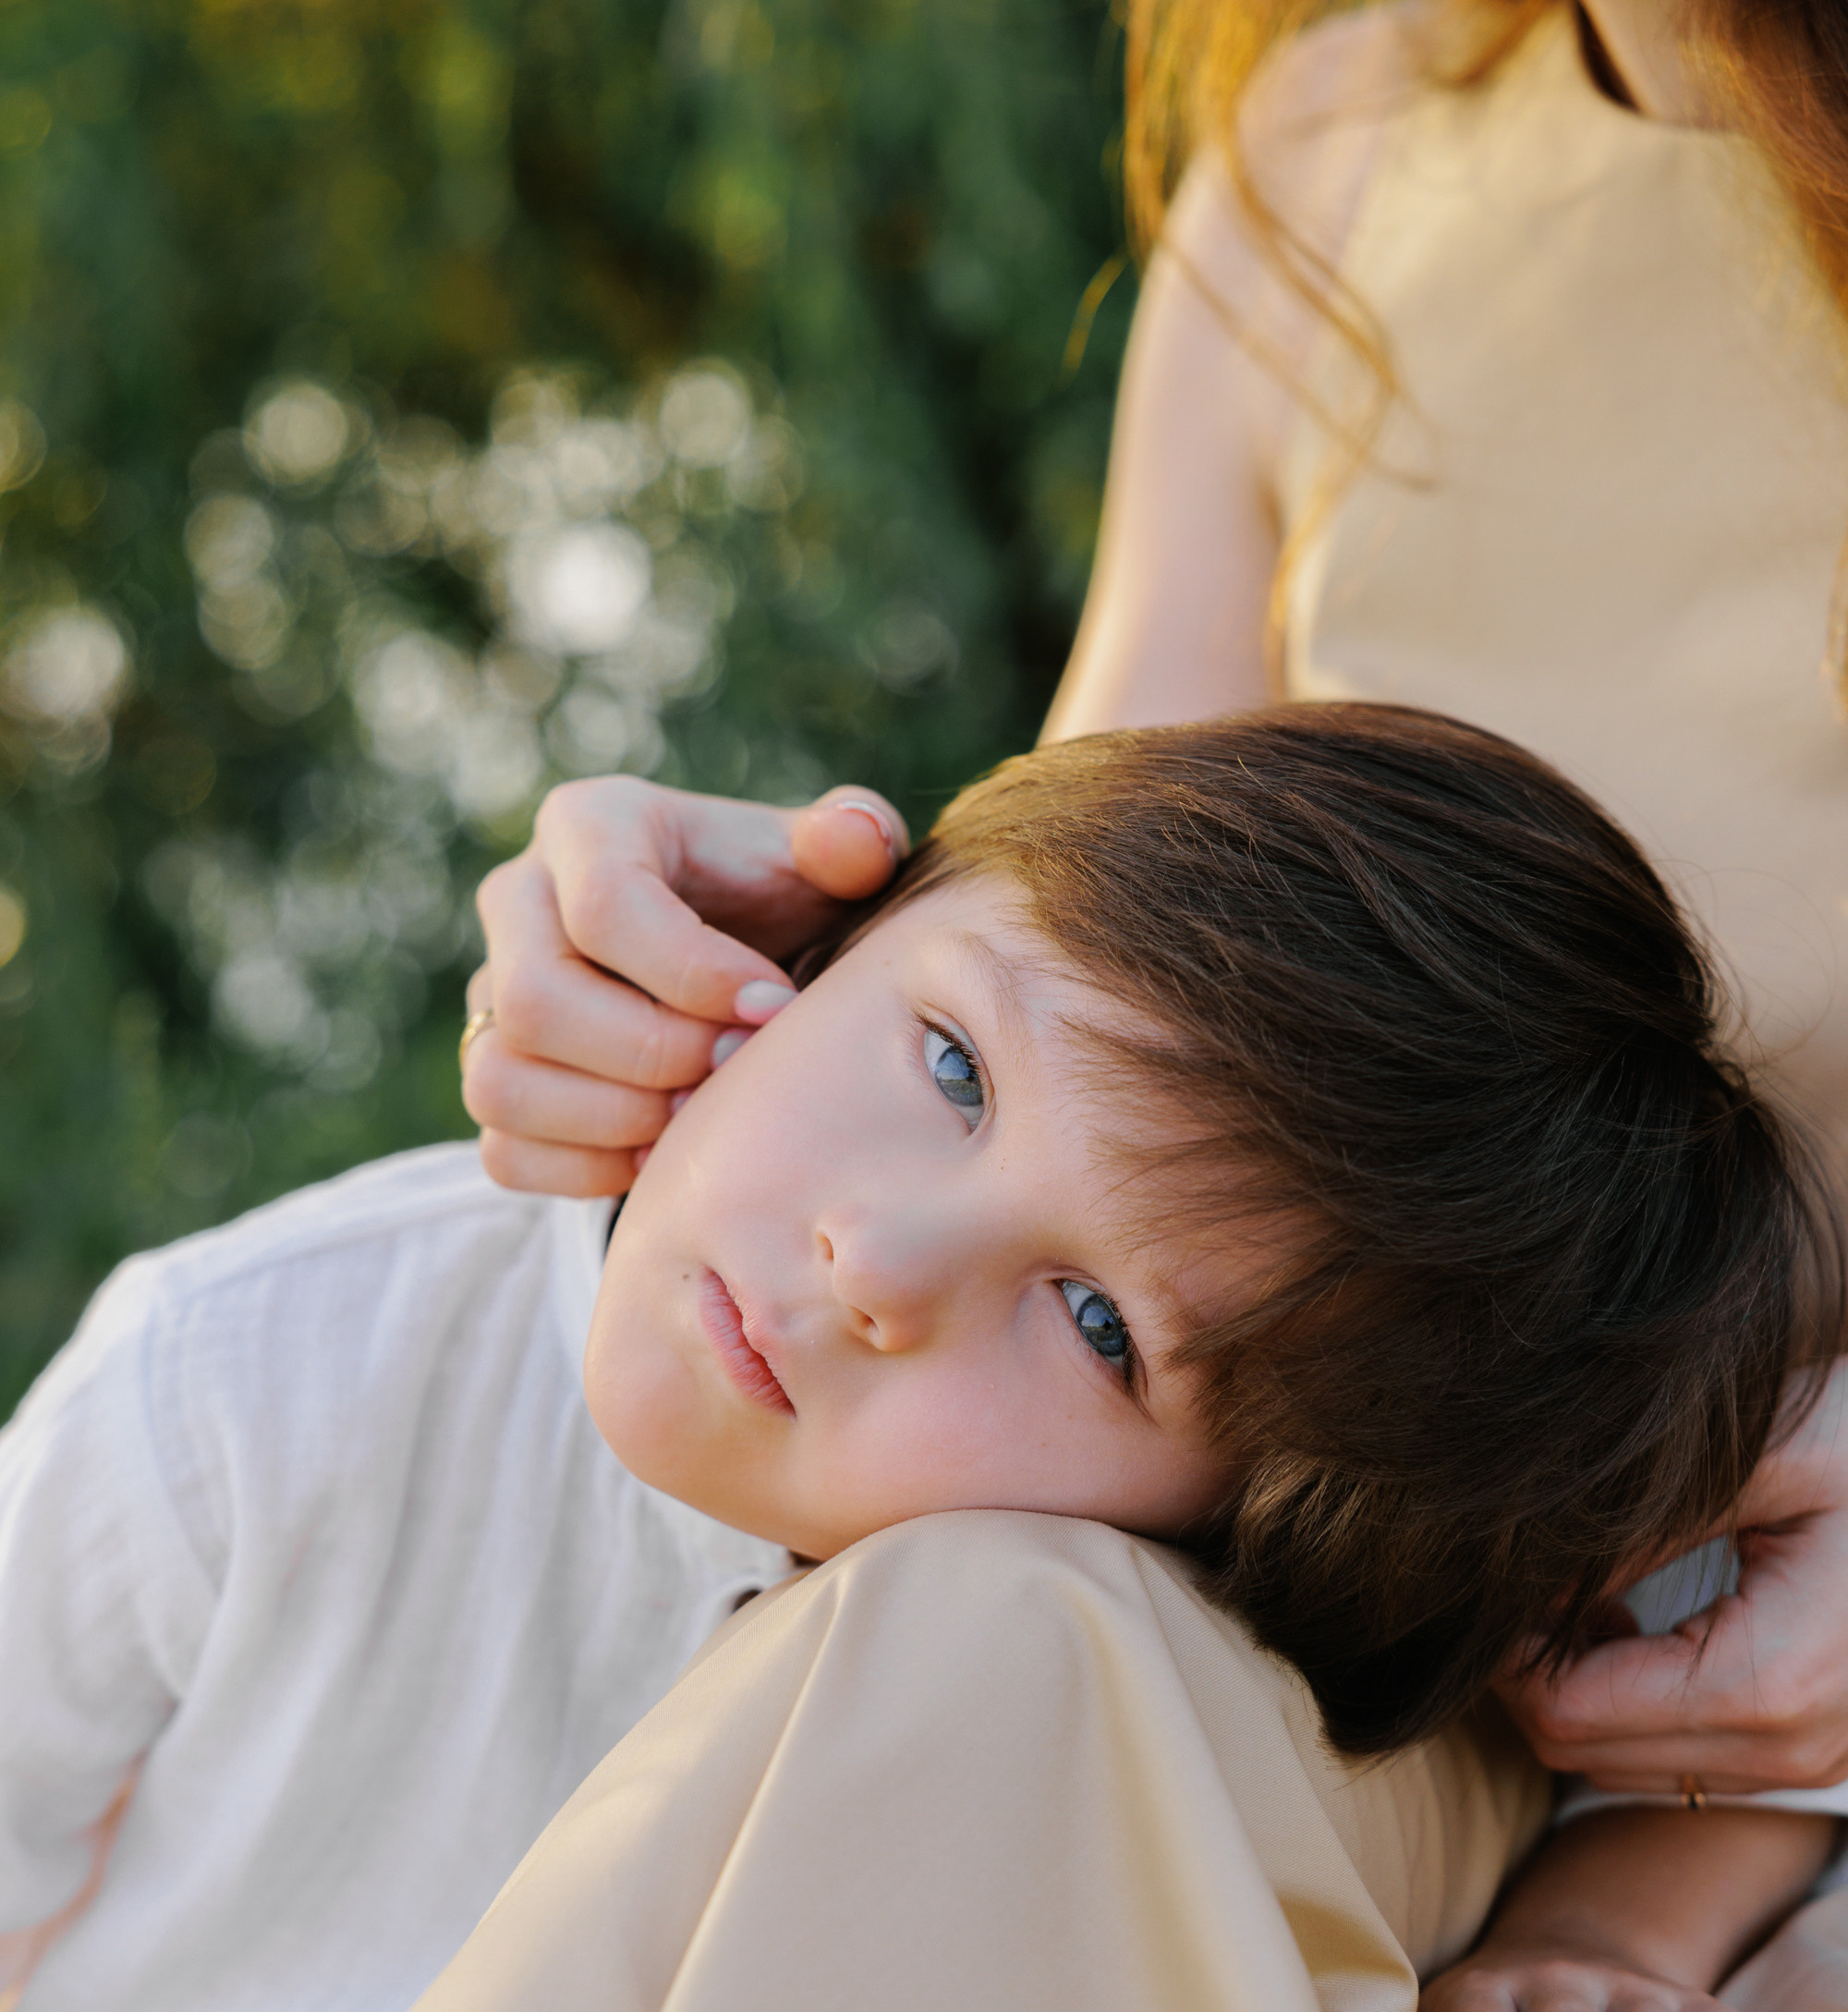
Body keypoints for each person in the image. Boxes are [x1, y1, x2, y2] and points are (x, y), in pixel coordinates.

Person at [6, 701, 1848, 2012]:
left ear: (1228, 1540)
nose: (871, 1264)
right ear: (830, 945)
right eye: (950, 1064)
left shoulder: (1066, 1712)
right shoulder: (257, 1384)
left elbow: (1665, 1697)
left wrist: (1611, 1921)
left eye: (1093, 1327)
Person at [459, 0, 1848, 1810]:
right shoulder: (1344, 131)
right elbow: (1076, 944)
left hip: (1670, 1675)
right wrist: (685, 976)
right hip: (1263, 1585)